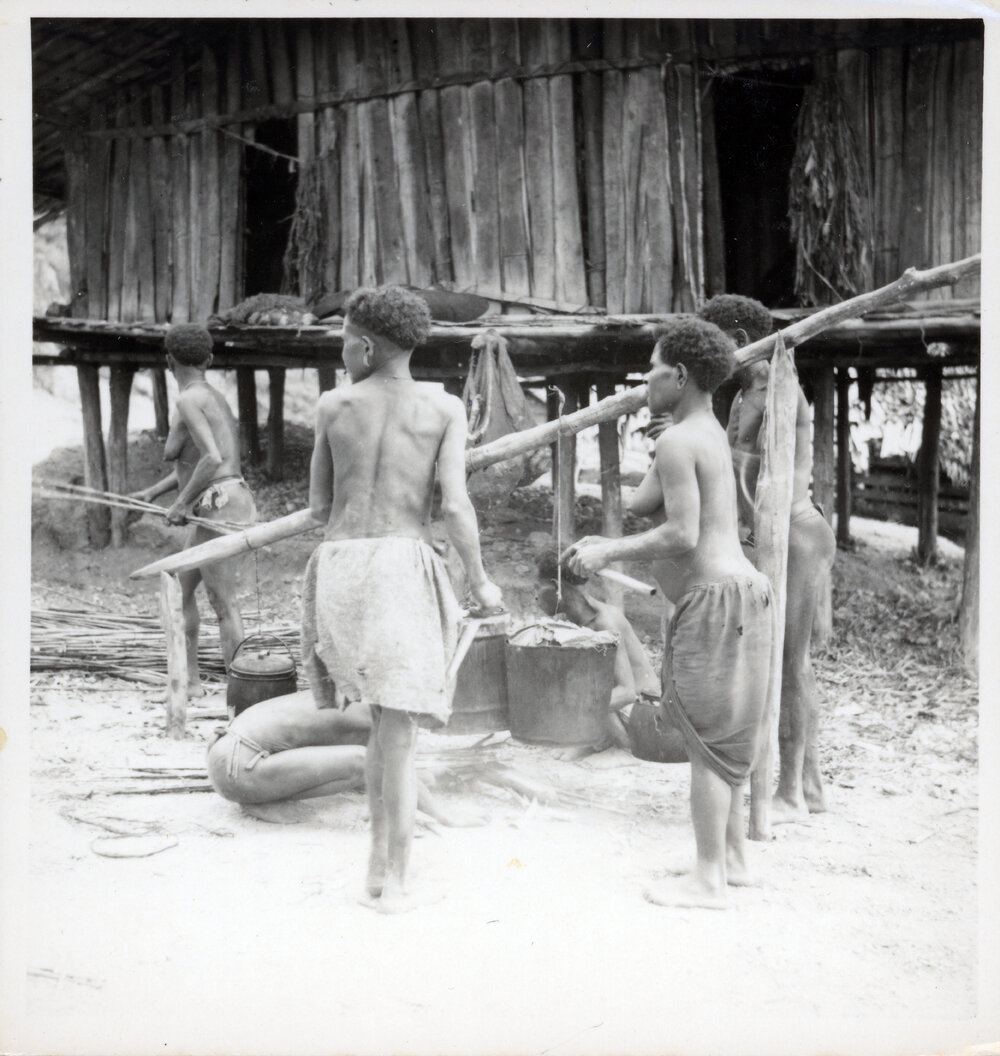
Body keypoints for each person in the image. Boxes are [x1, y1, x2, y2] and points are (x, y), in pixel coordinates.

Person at [303, 285, 502, 914]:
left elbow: (317, 508)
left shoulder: (333, 405)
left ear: (363, 344)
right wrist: (479, 580)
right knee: (401, 737)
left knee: (378, 729)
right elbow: (456, 505)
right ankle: (396, 879)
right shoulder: (442, 410)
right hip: (398, 567)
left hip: (339, 569)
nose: (342, 352)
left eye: (344, 341)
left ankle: (373, 867)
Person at [565, 319, 774, 910]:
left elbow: (681, 534)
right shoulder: (703, 432)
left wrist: (607, 550)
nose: (644, 379)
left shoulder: (678, 442)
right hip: (748, 594)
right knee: (728, 739)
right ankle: (732, 859)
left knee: (705, 742)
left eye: (651, 369)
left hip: (713, 599)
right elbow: (650, 505)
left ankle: (706, 879)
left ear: (678, 375)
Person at [700, 294, 837, 823]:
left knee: (787, 660)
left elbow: (743, 476)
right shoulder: (744, 393)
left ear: (736, 343)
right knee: (789, 659)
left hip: (794, 534)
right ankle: (811, 785)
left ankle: (790, 795)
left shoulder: (773, 388)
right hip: (778, 533)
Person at [134, 324, 256, 696]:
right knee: (181, 585)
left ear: (168, 360)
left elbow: (213, 459)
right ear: (209, 360)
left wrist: (182, 504)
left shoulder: (189, 400)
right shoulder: (211, 396)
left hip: (218, 503)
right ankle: (193, 682)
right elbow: (204, 464)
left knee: (222, 601)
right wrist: (154, 492)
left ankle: (243, 693)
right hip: (222, 498)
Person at [207, 690, 488, 828]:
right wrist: (443, 815)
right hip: (241, 767)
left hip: (228, 760)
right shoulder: (370, 712)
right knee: (361, 762)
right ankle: (259, 797)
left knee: (360, 770)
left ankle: (262, 796)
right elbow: (395, 767)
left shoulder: (353, 699)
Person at [534, 547, 664, 759]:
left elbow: (627, 691)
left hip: (645, 715)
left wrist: (574, 708)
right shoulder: (577, 620)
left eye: (537, 588)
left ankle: (600, 742)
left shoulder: (605, 623)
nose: (535, 596)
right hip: (628, 714)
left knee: (574, 691)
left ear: (557, 587)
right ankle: (594, 738)